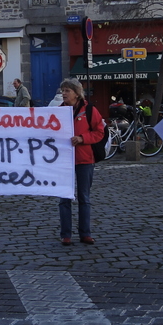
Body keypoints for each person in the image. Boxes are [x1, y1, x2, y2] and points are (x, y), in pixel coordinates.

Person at [57, 79, 104, 246]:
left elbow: (99, 132)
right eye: (62, 90)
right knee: (64, 198)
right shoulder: (59, 112)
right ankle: (66, 234)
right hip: (64, 161)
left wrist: (83, 138)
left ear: (77, 93)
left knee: (84, 197)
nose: (64, 93)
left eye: (67, 90)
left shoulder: (89, 110)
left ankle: (85, 233)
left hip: (84, 159)